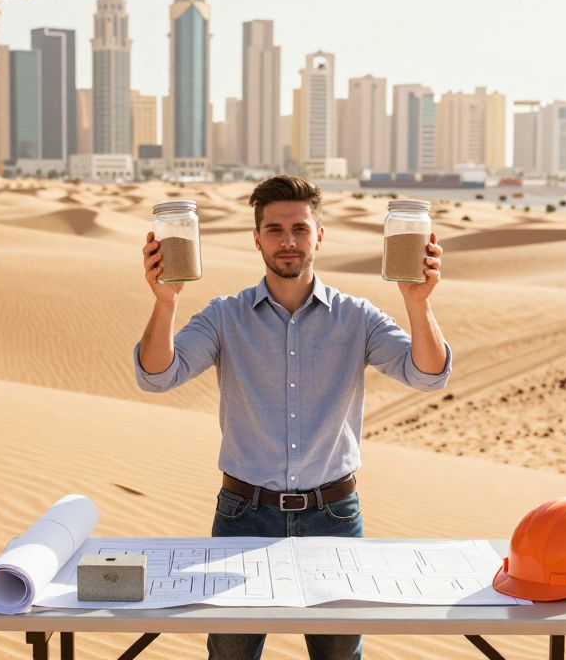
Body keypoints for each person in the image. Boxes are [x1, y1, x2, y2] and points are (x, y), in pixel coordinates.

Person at [134, 175, 450, 660]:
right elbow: (158, 376)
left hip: (334, 516)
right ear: (256, 238)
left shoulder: (357, 317)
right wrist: (165, 301)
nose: (288, 241)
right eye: (275, 229)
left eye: (300, 228)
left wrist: (418, 303)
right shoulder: (225, 316)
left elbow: (427, 375)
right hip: (243, 516)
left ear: (319, 235)